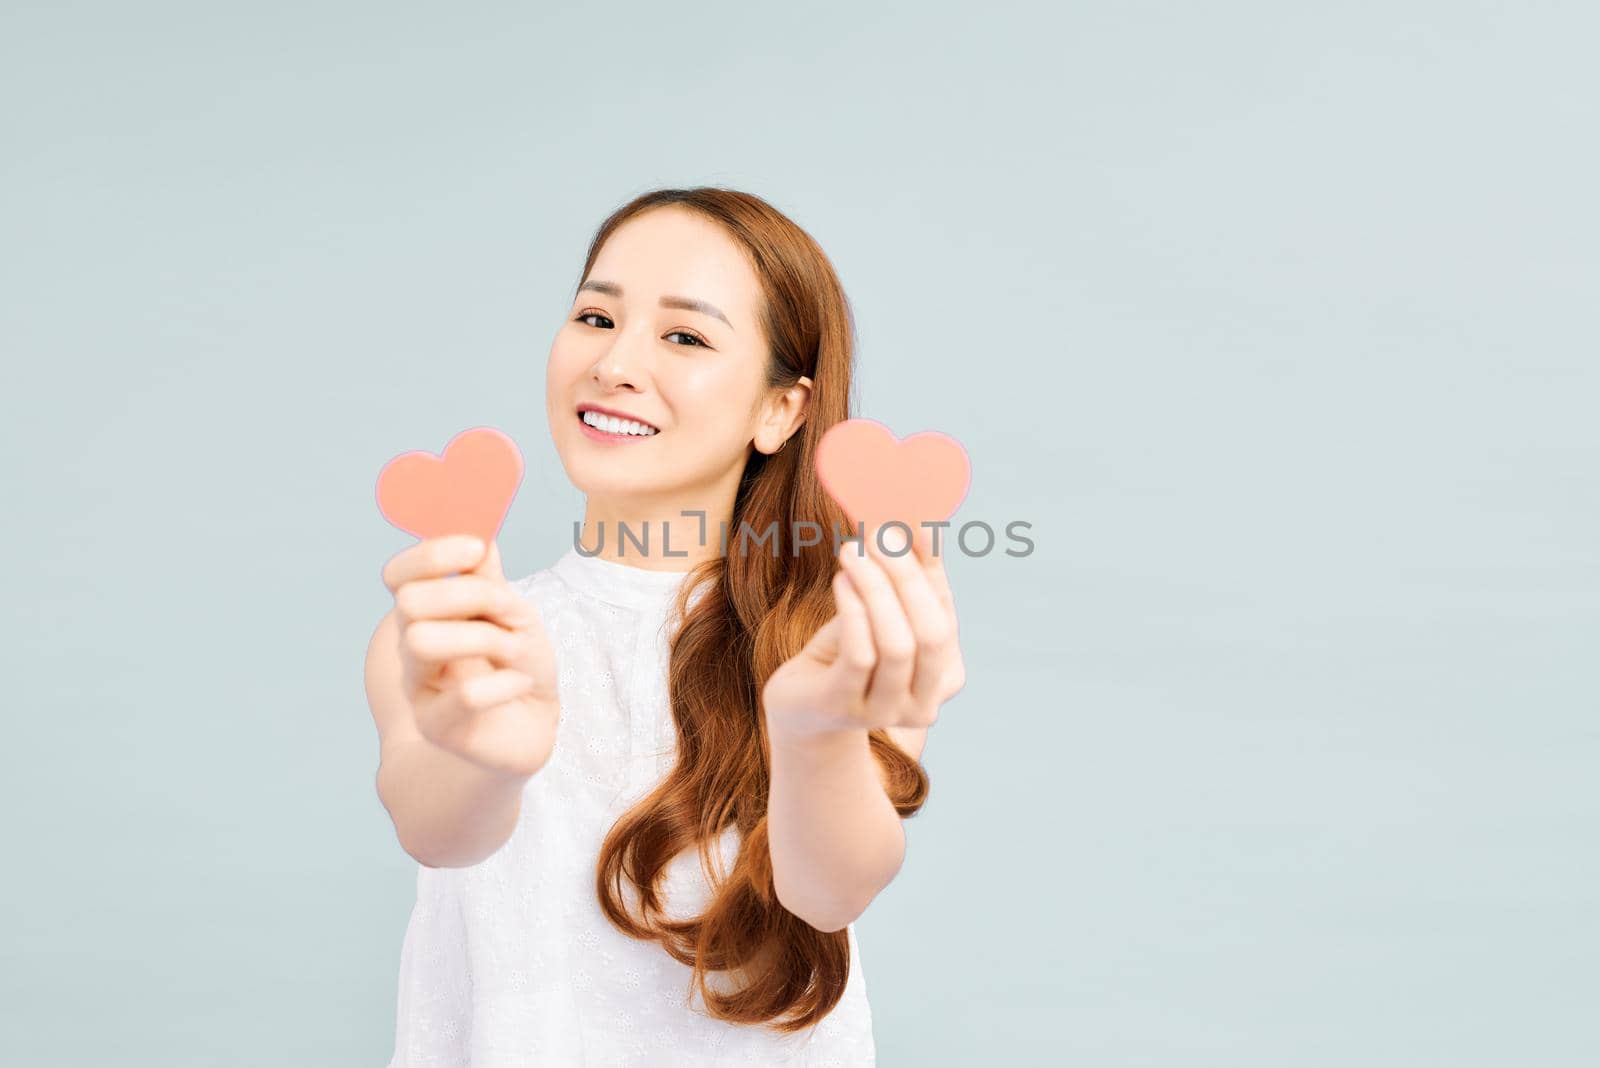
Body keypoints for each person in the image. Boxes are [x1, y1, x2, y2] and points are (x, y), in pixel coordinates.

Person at [364, 187, 967, 1066]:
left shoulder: (843, 640)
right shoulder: (461, 635)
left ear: (781, 411)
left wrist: (813, 732)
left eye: (684, 336)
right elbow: (435, 832)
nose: (614, 363)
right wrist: (485, 758)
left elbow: (831, 895)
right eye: (596, 316)